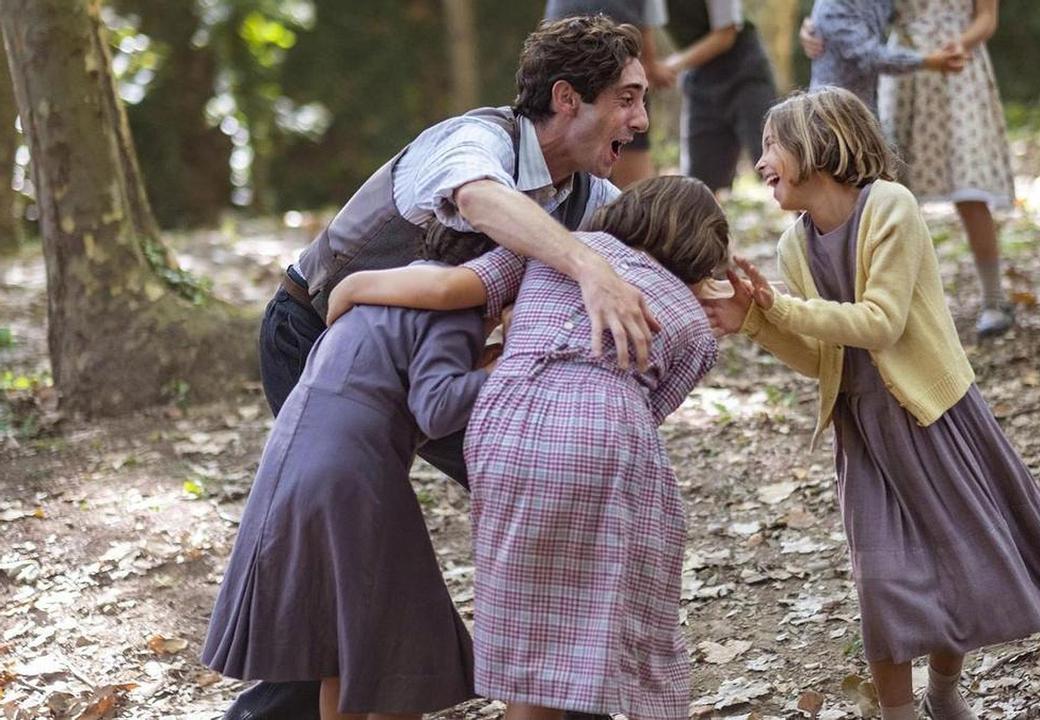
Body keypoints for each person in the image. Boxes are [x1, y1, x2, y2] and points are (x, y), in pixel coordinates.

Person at [230, 15, 651, 720]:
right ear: (568, 98)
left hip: (442, 373)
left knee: (546, 483)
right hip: (319, 345)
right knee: (343, 560)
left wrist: (719, 265)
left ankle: (561, 694)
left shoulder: (586, 193)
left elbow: (653, 231)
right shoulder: (472, 141)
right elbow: (479, 199)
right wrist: (585, 265)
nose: (639, 120)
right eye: (627, 98)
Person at [703, 89, 1040, 720]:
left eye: (772, 145)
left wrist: (776, 306)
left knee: (958, 563)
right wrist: (754, 319)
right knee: (884, 586)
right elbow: (824, 355)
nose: (761, 160)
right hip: (865, 431)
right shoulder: (793, 247)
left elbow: (880, 323)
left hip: (933, 416)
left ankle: (942, 693)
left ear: (818, 146)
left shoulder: (891, 209)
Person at [327, 176, 729, 720]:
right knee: (603, 618)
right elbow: (651, 411)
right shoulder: (693, 321)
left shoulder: (557, 248)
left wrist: (349, 287)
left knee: (529, 617)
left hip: (506, 425)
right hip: (607, 433)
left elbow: (450, 289)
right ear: (704, 250)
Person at [203, 225, 500, 720]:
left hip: (292, 458)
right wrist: (497, 370)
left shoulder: (385, 290)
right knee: (403, 645)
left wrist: (474, 364)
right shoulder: (455, 311)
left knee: (340, 643)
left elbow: (390, 384)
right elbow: (437, 407)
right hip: (352, 473)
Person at [801, 0, 1017, 338]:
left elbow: (986, 18)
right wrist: (814, 25)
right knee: (886, 190)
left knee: (968, 185)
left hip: (956, 70)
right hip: (903, 73)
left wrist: (960, 43)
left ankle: (993, 298)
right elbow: (857, 9)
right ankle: (883, 302)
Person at [543, 1, 676, 187]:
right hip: (610, 73)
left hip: (554, 70)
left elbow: (544, 37)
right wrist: (653, 67)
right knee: (635, 191)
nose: (642, 122)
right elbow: (645, 38)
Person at [658, 0, 777, 192]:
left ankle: (812, 221)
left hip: (744, 69)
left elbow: (725, 35)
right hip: (700, 77)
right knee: (697, 183)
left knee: (776, 158)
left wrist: (670, 66)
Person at [805, 0, 966, 114]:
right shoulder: (834, 7)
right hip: (830, 110)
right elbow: (870, 56)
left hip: (866, 106)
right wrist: (927, 61)